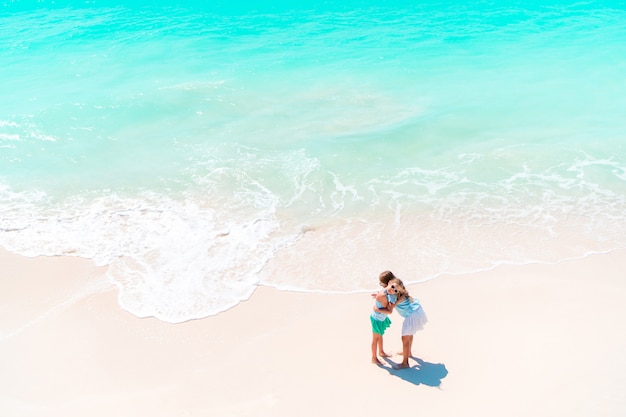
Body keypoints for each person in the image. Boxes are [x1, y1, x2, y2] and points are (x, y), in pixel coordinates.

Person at [392, 278, 428, 369]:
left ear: (399, 288)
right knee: (409, 333)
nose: (392, 289)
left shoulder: (400, 297)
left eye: (394, 288)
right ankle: (408, 352)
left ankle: (405, 363)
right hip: (416, 310)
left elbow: (391, 307)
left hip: (412, 314)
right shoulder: (402, 293)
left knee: (404, 338)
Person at [370, 279, 399, 365]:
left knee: (380, 335)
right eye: (392, 287)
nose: (392, 290)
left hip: (381, 318)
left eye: (395, 290)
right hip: (377, 319)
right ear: (389, 283)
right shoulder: (383, 295)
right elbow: (389, 311)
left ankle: (381, 352)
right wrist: (378, 309)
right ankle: (374, 358)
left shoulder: (387, 293)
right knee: (375, 338)